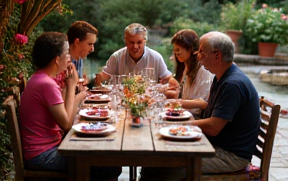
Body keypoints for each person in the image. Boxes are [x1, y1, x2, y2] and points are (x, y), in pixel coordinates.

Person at [140, 31, 260, 180]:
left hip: (230, 156)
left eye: (202, 52)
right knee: (155, 159)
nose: (197, 55)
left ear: (218, 56)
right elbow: (208, 108)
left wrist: (176, 125)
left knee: (164, 167)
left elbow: (213, 127)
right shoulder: (222, 78)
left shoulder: (232, 84)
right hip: (214, 145)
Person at [19, 32, 121, 180]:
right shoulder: (46, 84)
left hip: (44, 150)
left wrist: (69, 87)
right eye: (66, 53)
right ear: (56, 59)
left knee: (100, 154)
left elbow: (65, 114)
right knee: (110, 167)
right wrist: (73, 87)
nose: (69, 58)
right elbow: (66, 123)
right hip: (43, 156)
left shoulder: (41, 78)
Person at [96, 23, 173, 85]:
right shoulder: (116, 57)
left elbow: (168, 78)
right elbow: (103, 77)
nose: (135, 47)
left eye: (139, 42)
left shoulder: (156, 57)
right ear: (125, 41)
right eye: (131, 42)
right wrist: (95, 80)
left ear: (145, 41)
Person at [166, 29, 214, 119]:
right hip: (185, 114)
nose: (176, 53)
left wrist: (176, 102)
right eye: (174, 50)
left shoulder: (203, 70)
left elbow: (203, 103)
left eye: (178, 49)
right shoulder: (186, 66)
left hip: (196, 118)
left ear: (191, 49)